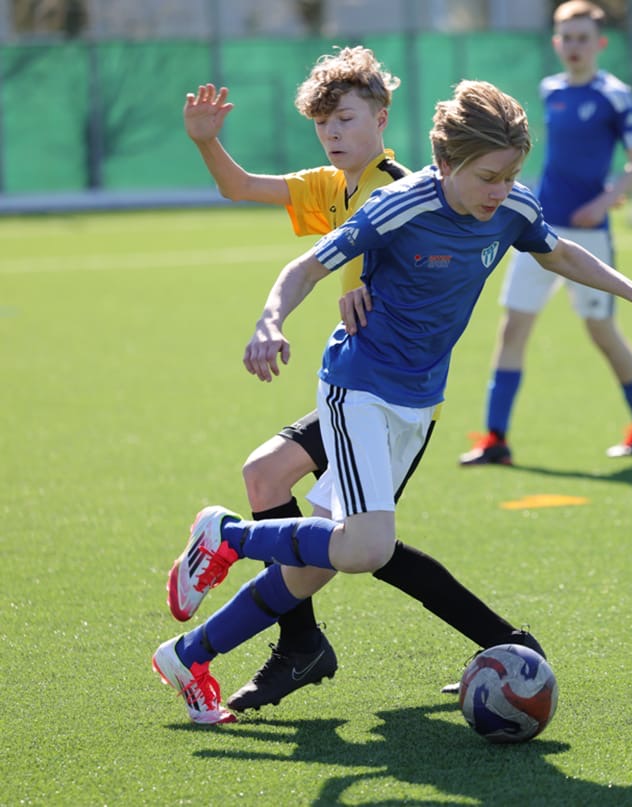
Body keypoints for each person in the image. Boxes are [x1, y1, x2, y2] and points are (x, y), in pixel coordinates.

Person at [153, 79, 632, 725]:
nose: (499, 190)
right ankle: (228, 536)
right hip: (358, 386)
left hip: (418, 404)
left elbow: (559, 254)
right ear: (445, 163)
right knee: (365, 548)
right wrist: (269, 322)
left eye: (510, 175)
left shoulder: (513, 206)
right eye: (488, 177)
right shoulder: (401, 205)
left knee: (315, 565)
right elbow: (305, 268)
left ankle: (188, 655)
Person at [177, 46, 409, 711]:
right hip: (353, 385)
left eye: (345, 119)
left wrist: (372, 285)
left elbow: (426, 256)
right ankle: (301, 644)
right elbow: (241, 187)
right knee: (266, 478)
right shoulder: (336, 186)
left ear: (381, 117)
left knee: (348, 551)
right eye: (322, 124)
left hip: (391, 394)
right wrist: (206, 142)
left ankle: (500, 639)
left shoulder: (399, 188)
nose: (332, 133)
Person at [459, 0, 632, 466]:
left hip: (589, 235)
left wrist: (603, 202)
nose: (574, 46)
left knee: (601, 331)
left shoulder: (615, 95)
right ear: (556, 42)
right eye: (566, 38)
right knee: (513, 326)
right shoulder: (550, 89)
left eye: (582, 38)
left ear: (600, 43)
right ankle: (495, 439)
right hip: (538, 229)